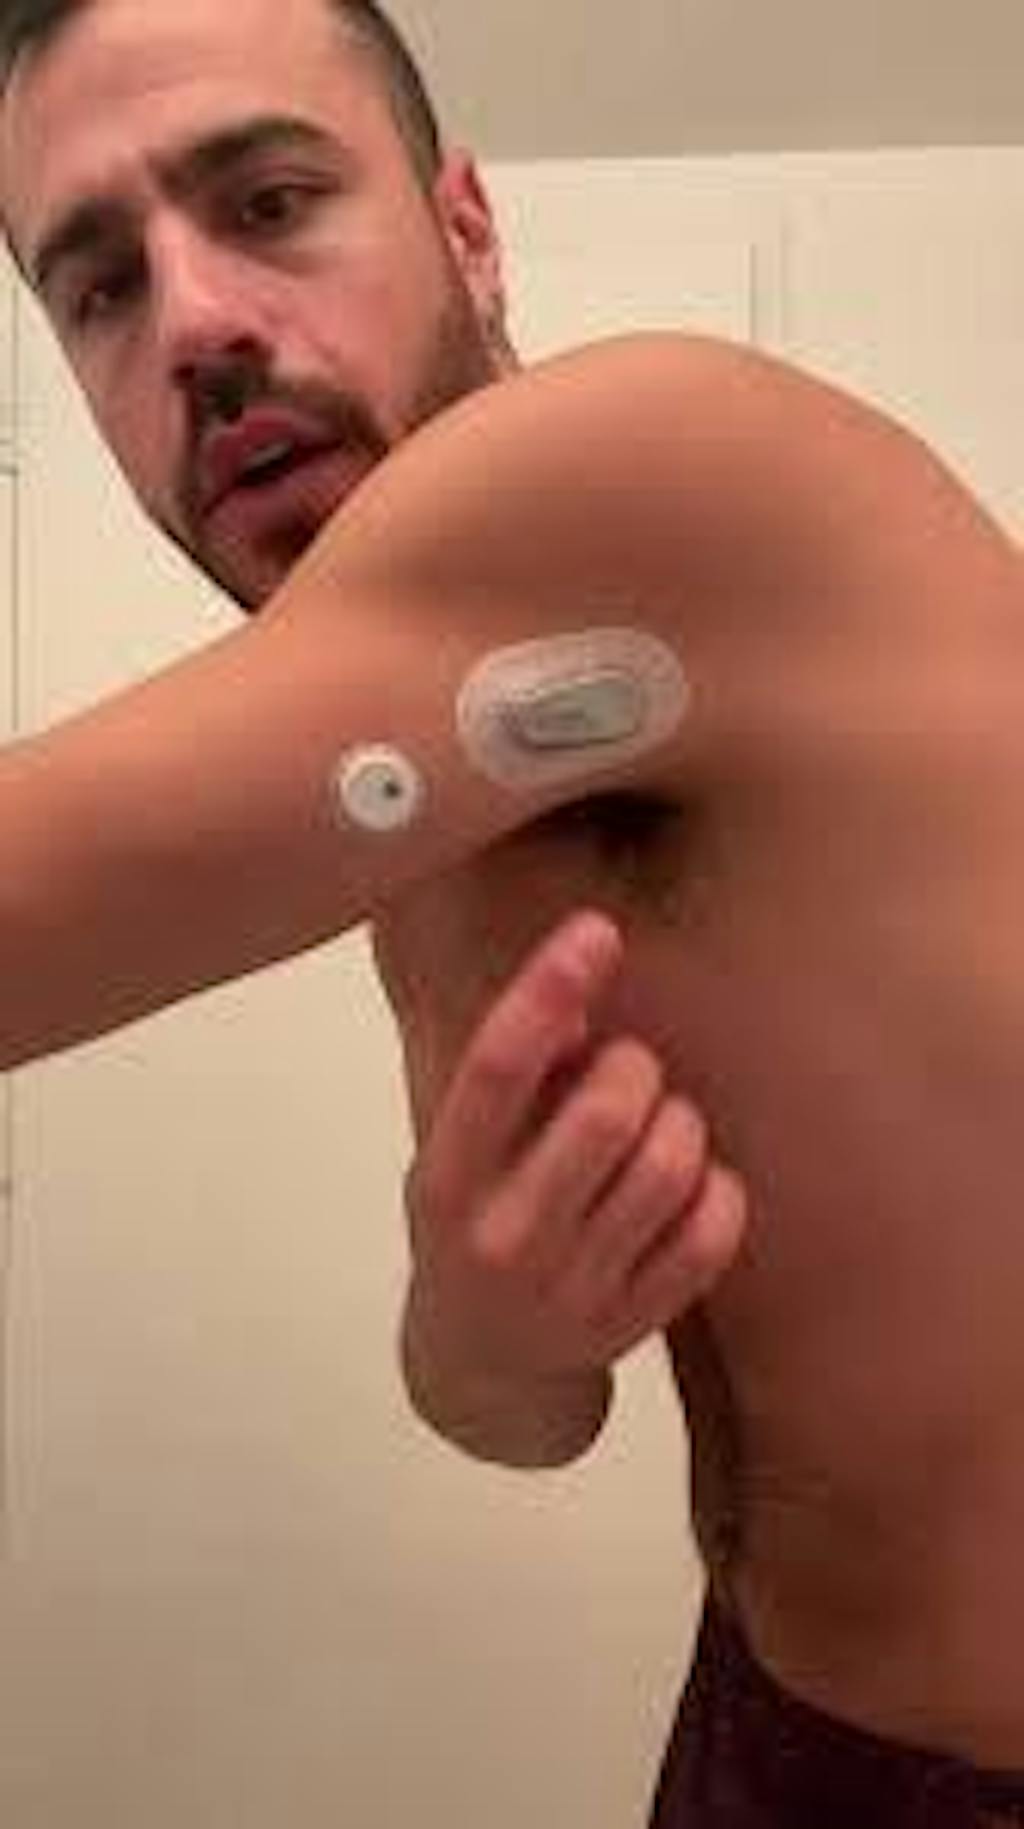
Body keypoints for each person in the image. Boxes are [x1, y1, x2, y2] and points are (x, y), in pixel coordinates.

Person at [2, 1, 1024, 1823]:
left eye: (269, 201)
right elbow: (529, 1415)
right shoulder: (434, 829)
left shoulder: (653, 460)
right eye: (99, 288)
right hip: (774, 1724)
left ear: (466, 227)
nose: (197, 327)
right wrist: (483, 1328)